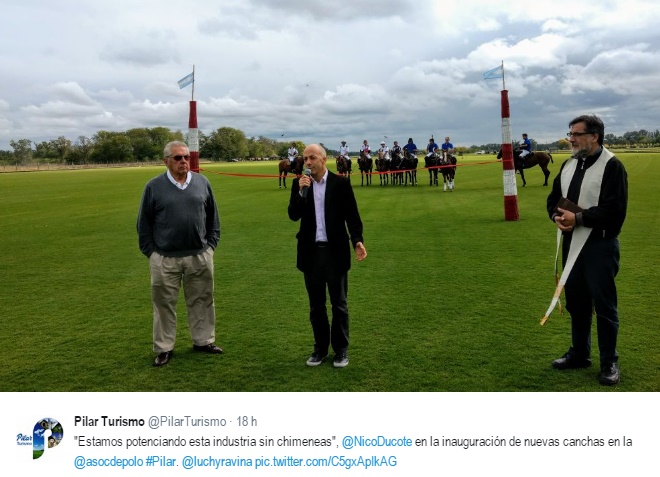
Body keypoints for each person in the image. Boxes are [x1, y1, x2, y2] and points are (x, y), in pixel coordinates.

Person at [546, 115, 628, 385]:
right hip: (572, 245)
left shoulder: (612, 166)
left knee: (604, 306)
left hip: (600, 247)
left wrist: (578, 219)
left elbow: (615, 212)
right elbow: (553, 200)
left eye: (577, 134)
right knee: (577, 303)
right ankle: (579, 354)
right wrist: (556, 217)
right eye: (570, 133)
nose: (571, 139)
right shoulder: (569, 164)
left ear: (594, 136)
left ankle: (609, 362)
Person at [137, 140, 222, 367]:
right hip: (164, 258)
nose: (184, 161)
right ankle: (164, 348)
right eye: (178, 158)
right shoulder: (154, 186)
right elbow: (143, 224)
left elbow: (213, 218)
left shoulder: (202, 182)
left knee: (202, 300)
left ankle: (203, 341)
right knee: (164, 304)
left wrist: (210, 246)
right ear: (166, 161)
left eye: (186, 157)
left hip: (199, 256)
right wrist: (152, 253)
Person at [288, 144, 367, 368]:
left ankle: (341, 350)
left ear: (324, 159)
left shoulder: (340, 184)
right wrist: (301, 193)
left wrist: (357, 240)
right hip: (311, 254)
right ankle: (320, 349)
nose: (308, 162)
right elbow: (293, 215)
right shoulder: (299, 183)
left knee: (339, 305)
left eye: (312, 158)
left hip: (335, 253)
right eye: (305, 158)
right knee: (316, 306)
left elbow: (352, 216)